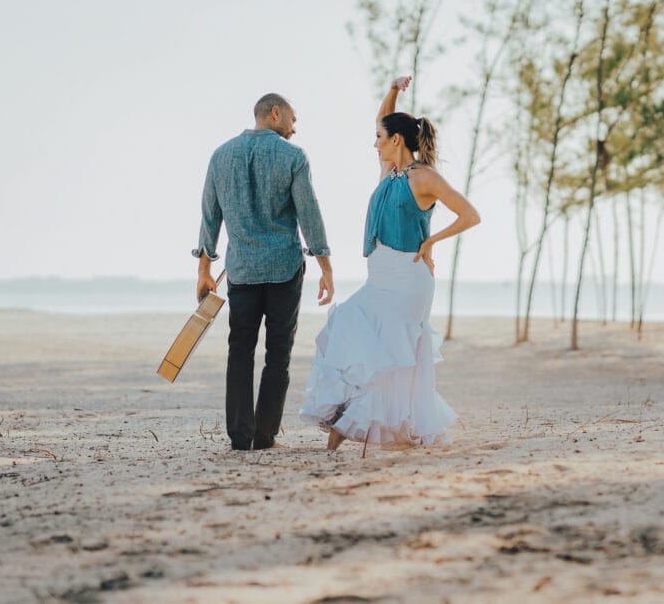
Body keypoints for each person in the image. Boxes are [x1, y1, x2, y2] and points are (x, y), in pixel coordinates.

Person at [299, 76, 480, 450]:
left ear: (396, 140)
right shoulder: (388, 173)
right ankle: (368, 426)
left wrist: (432, 240)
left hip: (408, 278)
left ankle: (349, 430)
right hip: (378, 275)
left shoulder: (424, 177)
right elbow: (383, 117)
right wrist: (395, 90)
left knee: (387, 352)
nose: (375, 142)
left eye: (380, 137)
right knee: (359, 337)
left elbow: (469, 214)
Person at [194, 93, 334, 451]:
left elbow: (210, 216)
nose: (294, 127)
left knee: (239, 351)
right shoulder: (293, 156)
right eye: (292, 119)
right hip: (284, 269)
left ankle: (240, 437)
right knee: (278, 353)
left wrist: (204, 270)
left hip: (241, 270)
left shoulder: (221, 155)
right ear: (275, 113)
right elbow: (309, 214)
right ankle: (265, 436)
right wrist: (325, 265)